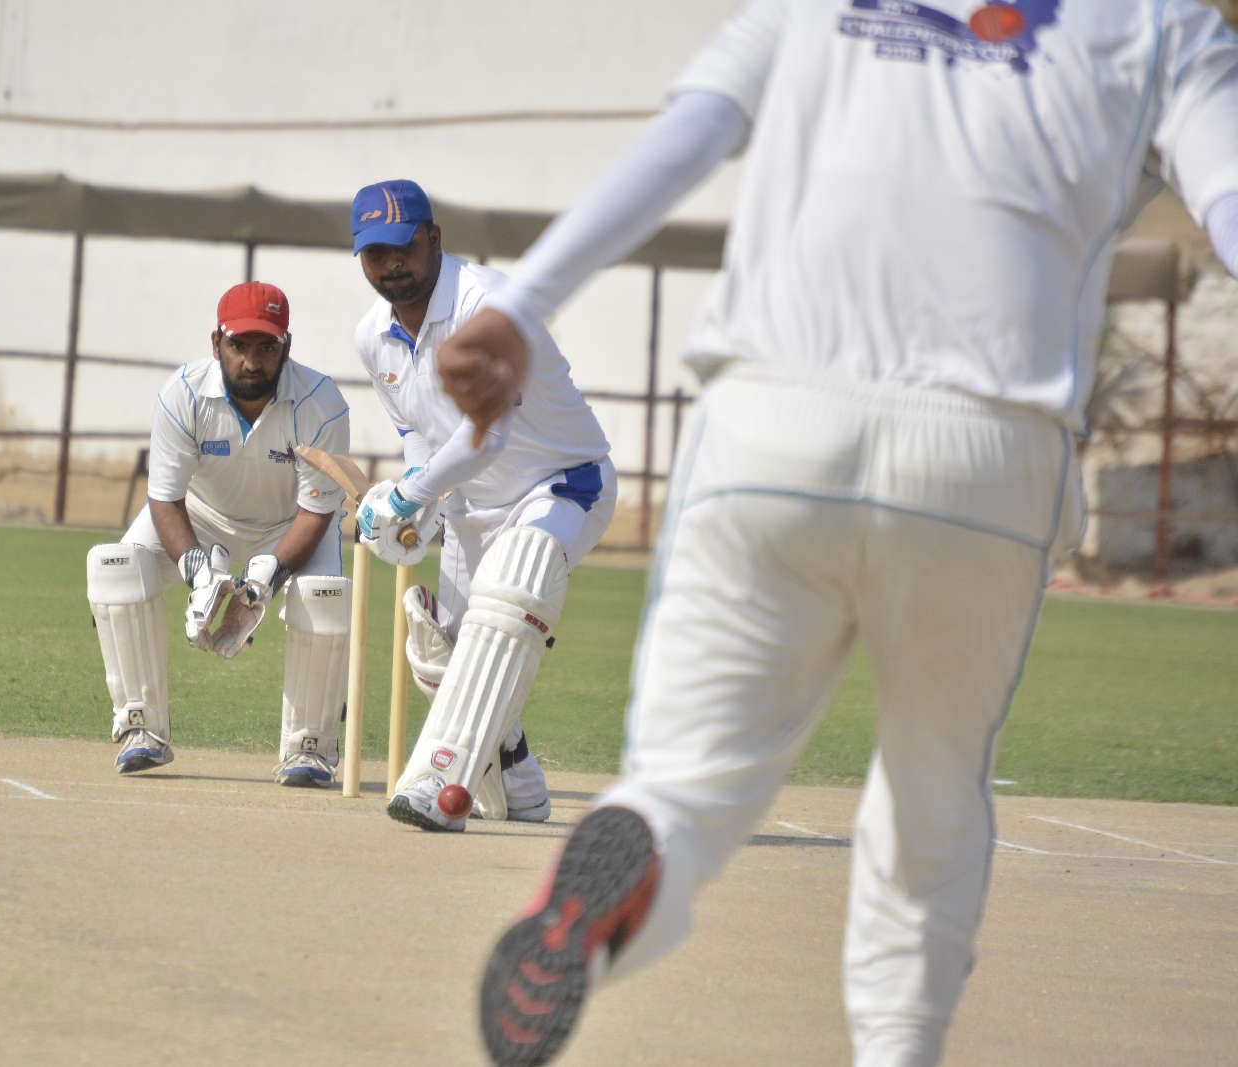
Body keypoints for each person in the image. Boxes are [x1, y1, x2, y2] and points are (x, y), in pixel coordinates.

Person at [437, 3, 1238, 1064]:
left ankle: (619, 878)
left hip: (769, 426)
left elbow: (689, 135)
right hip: (988, 452)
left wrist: (519, 306)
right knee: (934, 795)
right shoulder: (1163, 25)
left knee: (681, 786)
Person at [347, 178, 619, 831]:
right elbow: (419, 434)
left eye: (404, 247)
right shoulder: (372, 336)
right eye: (376, 252)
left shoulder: (489, 307)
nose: (392, 264)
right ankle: (520, 783)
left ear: (435, 238)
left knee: (508, 595)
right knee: (440, 657)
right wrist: (413, 505)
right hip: (472, 503)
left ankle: (436, 780)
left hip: (563, 483)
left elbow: (486, 435)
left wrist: (410, 495)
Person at [86, 281, 355, 788]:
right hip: (199, 517)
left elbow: (317, 512)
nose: (252, 362)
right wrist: (196, 571)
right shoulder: (183, 394)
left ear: (287, 347)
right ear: (216, 343)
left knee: (323, 596)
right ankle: (141, 727)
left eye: (267, 347)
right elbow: (165, 498)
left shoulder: (321, 403)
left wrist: (266, 579)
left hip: (290, 525)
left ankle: (310, 746)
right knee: (113, 567)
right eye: (238, 345)